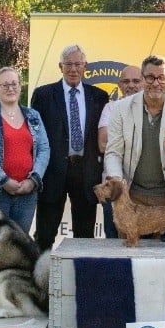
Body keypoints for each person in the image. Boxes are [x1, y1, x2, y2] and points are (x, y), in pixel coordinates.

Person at [103, 55, 165, 235]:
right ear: (143, 78)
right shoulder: (121, 109)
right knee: (128, 253)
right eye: (150, 77)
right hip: (131, 198)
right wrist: (117, 184)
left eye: (162, 78)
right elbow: (113, 152)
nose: (156, 83)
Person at [30, 45, 109, 251]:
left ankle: (81, 280)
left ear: (85, 67)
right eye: (68, 64)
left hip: (86, 172)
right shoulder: (43, 95)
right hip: (53, 172)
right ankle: (41, 281)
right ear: (60, 66)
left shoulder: (99, 96)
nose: (73, 69)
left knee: (85, 236)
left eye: (78, 64)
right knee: (45, 235)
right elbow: (36, 137)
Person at [0, 67, 49, 234]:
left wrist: (33, 180)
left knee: (20, 246)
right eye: (5, 85)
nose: (10, 88)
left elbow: (44, 148)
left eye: (14, 84)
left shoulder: (33, 116)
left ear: (20, 86)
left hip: (27, 193)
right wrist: (3, 181)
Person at [97, 65, 144, 238]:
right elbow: (103, 144)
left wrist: (118, 138)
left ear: (144, 83)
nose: (130, 85)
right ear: (119, 85)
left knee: (141, 238)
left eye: (136, 81)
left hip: (143, 190)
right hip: (114, 188)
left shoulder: (153, 111)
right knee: (113, 237)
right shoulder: (110, 108)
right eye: (126, 81)